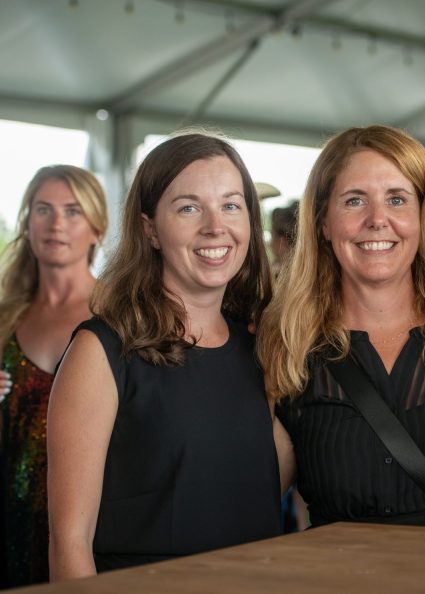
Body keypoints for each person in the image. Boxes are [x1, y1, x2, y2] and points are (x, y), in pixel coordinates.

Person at [47, 133, 282, 580]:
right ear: (150, 228)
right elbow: (69, 544)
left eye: (231, 205)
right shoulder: (102, 351)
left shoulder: (262, 349)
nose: (216, 226)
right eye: (189, 207)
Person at [258, 125, 425, 529]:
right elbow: (250, 495)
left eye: (397, 199)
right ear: (322, 222)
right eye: (354, 201)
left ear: (423, 217)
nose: (377, 220)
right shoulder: (287, 348)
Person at [0, 165, 107, 587]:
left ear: (97, 229)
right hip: (9, 516)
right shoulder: (6, 318)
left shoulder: (119, 316)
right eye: (43, 210)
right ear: (27, 224)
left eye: (72, 211)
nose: (57, 223)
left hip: (92, 527)